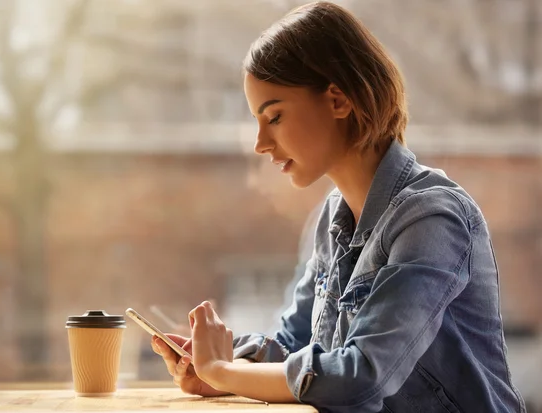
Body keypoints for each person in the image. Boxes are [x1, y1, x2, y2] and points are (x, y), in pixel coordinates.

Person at [150, 2, 526, 412]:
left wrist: (223, 371)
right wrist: (223, 366)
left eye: (273, 117)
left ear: (338, 100)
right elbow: (298, 350)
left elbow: (359, 377)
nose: (260, 142)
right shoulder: (333, 217)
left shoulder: (432, 218)